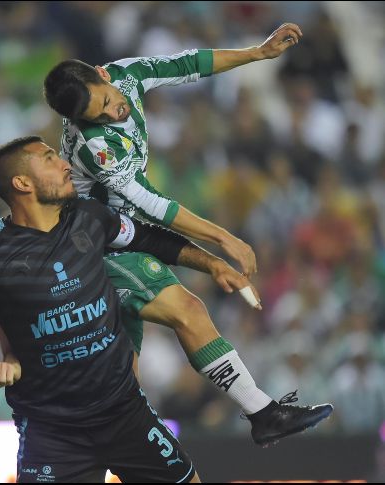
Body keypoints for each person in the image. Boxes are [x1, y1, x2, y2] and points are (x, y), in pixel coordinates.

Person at [42, 23, 332, 445]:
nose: (110, 114)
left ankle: (98, 449)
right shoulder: (94, 146)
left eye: (106, 103)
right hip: (94, 244)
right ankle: (262, 412)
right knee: (188, 310)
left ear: (103, 75)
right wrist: (223, 240)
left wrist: (258, 52)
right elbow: (151, 205)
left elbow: (188, 64)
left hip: (121, 235)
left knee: (123, 371)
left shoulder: (127, 73)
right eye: (96, 116)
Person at [0, 136, 223, 483]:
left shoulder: (88, 217)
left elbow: (150, 238)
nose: (65, 165)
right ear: (22, 183)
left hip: (125, 415)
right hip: (52, 436)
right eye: (49, 159)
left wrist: (213, 262)